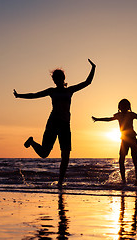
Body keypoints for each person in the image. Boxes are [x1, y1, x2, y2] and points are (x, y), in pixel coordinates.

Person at [13, 59, 96, 187]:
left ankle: (60, 183)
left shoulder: (70, 90)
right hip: (53, 123)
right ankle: (32, 142)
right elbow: (35, 95)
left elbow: (88, 82)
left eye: (60, 78)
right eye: (55, 78)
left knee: (66, 154)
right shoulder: (51, 91)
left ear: (63, 78)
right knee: (44, 154)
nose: (58, 80)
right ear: (54, 80)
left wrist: (93, 68)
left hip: (65, 125)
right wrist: (19, 96)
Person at [92, 99, 137, 186]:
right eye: (122, 106)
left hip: (132, 139)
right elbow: (108, 119)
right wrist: (97, 119)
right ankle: (124, 181)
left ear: (128, 107)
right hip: (124, 140)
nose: (124, 107)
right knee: (121, 160)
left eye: (125, 106)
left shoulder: (131, 115)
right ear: (119, 107)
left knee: (135, 159)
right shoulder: (118, 115)